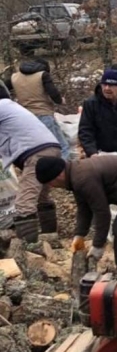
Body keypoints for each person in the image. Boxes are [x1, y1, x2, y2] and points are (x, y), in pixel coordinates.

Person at [35, 155, 117, 267]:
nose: (51, 186)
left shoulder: (82, 179)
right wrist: (79, 235)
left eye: (50, 182)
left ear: (59, 175)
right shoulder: (75, 174)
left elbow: (102, 213)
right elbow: (84, 208)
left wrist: (98, 246)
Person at [0, 98, 61, 243]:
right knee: (41, 197)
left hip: (36, 153)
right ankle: (50, 239)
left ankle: (29, 248)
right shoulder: (9, 105)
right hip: (51, 147)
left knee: (24, 203)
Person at [6, 58, 70, 160]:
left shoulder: (14, 77)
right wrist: (60, 101)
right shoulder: (43, 75)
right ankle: (62, 171)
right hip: (43, 115)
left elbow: (4, 89)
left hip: (25, 118)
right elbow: (53, 93)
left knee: (36, 149)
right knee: (62, 146)